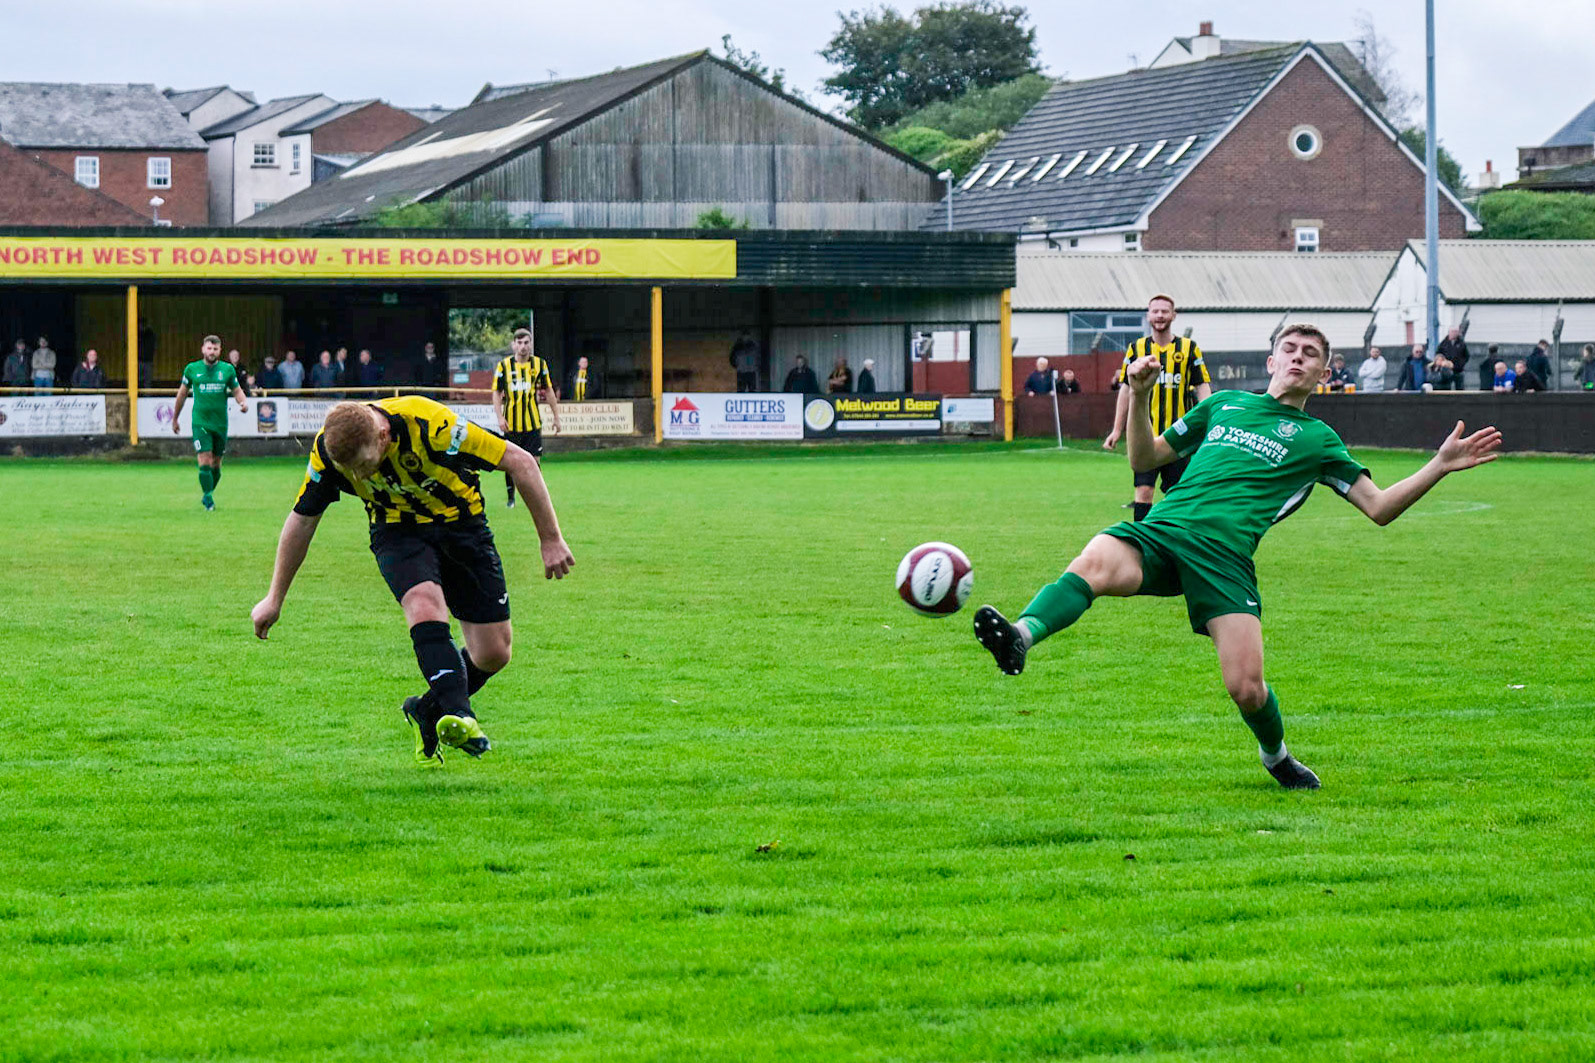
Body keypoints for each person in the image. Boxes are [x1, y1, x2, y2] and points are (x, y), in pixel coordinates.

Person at [973, 324, 1502, 790]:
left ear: (1322, 373)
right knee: (1093, 561)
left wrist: (1438, 465)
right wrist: (1138, 395)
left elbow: (1380, 507)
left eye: (1310, 353)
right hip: (1164, 529)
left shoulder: (1319, 440)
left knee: (1246, 688)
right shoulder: (1222, 404)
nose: (1298, 357)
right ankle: (1021, 637)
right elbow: (1145, 457)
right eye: (1289, 349)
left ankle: (1276, 757)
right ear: (1271, 361)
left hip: (1224, 559)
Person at [249, 396, 574, 767]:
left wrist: (550, 538)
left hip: (462, 526)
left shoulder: (435, 427)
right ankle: (462, 716)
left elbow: (521, 462)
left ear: (384, 436)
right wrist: (274, 598)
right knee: (423, 602)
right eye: (350, 471)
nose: (358, 478)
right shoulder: (331, 448)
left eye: (363, 467)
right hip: (397, 532)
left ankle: (426, 710)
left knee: (493, 653)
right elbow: (303, 519)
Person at [1103, 295, 1211, 522]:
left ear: (1174, 315)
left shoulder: (1189, 349)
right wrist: (1117, 429)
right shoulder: (1136, 349)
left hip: (1179, 435)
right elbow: (1125, 389)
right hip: (1145, 437)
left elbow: (1202, 386)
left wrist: (1209, 424)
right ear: (1148, 315)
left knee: (1179, 494)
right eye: (1155, 311)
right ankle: (1140, 545)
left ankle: (1176, 542)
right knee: (1143, 491)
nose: (1159, 316)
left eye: (1164, 311)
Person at [172, 334, 247, 512]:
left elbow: (237, 391)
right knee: (204, 460)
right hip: (201, 422)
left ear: (220, 350)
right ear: (203, 349)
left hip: (220, 424)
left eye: (215, 348)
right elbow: (182, 394)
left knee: (216, 465)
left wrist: (243, 402)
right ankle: (208, 499)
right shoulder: (192, 369)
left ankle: (208, 492)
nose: (211, 351)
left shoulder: (227, 370)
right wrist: (175, 418)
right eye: (209, 348)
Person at [492, 328, 561, 509]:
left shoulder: (539, 364)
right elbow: (497, 393)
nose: (523, 347)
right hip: (511, 424)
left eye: (526, 343)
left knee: (535, 461)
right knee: (510, 462)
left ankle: (537, 497)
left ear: (531, 344)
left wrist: (556, 417)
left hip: (532, 423)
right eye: (519, 343)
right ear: (514, 344)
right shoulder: (504, 366)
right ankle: (511, 497)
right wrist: (499, 417)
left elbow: (549, 390)